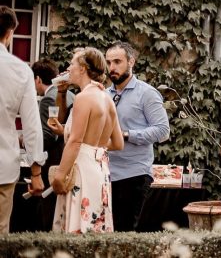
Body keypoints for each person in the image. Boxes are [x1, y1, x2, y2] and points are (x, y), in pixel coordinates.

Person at [49, 47, 124, 233]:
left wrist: (60, 175)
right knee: (95, 230)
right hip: (100, 170)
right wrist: (93, 147)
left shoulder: (84, 97)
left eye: (72, 63)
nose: (69, 67)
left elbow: (75, 141)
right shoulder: (107, 99)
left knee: (76, 229)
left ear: (82, 68)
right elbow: (117, 143)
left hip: (81, 169)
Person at [105, 41, 170, 231]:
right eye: (109, 63)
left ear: (131, 62)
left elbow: (162, 130)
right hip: (105, 173)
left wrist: (126, 134)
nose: (112, 68)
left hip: (134, 174)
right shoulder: (104, 94)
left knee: (124, 234)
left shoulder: (147, 93)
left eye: (117, 61)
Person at [0, 6, 45, 234]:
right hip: (2, 167)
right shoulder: (20, 71)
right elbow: (31, 126)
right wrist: (36, 173)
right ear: (9, 34)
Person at [33, 58, 75, 230]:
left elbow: (50, 136)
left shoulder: (47, 100)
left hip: (54, 161)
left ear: (37, 79)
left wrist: (25, 142)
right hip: (68, 159)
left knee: (49, 210)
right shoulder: (72, 95)